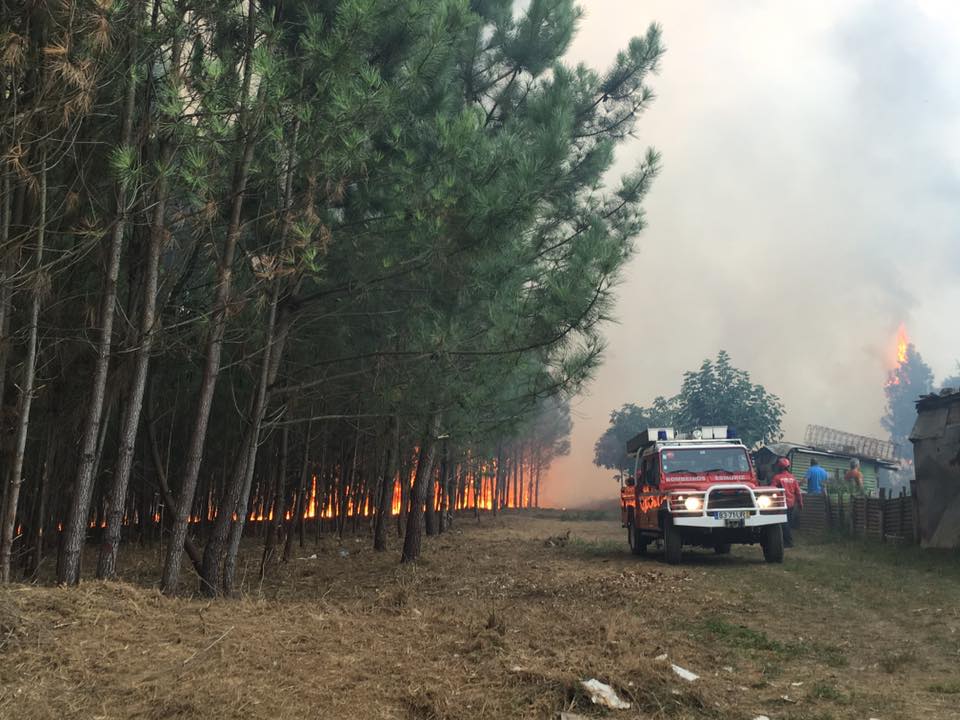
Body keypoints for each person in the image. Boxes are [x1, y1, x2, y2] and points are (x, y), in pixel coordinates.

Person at [772, 457, 802, 548]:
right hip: (791, 504)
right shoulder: (793, 478)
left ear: (779, 467)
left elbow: (771, 489)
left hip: (781, 504)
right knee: (787, 522)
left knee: (784, 523)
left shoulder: (777, 478)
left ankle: (788, 542)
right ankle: (786, 541)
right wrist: (800, 503)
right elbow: (798, 492)